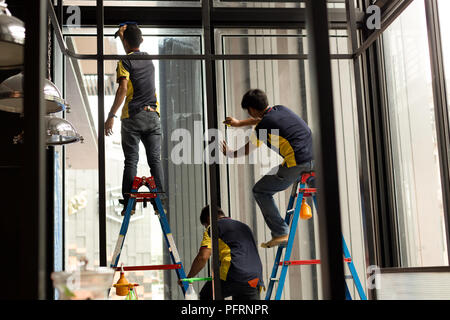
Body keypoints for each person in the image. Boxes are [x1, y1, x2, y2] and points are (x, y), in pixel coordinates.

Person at [221, 89, 314, 248]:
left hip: (298, 163)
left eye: (249, 112)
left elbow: (248, 149)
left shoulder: (263, 127)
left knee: (260, 190)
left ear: (251, 109)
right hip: (315, 159)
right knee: (300, 182)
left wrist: (230, 153)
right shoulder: (280, 109)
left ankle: (280, 232)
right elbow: (260, 120)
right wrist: (239, 123)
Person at [104, 23, 165, 215]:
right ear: (142, 40)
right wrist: (124, 36)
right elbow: (132, 49)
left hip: (133, 116)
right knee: (155, 159)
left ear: (126, 42)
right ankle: (159, 202)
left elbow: (122, 89)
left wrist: (111, 115)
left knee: (131, 160)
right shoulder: (149, 60)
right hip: (153, 116)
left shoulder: (124, 61)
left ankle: (129, 206)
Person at [181, 205, 264, 300]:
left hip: (234, 273)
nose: (206, 227)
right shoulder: (244, 227)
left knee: (206, 295)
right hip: (254, 279)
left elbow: (203, 257)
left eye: (205, 225)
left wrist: (189, 277)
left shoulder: (214, 227)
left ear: (209, 218)